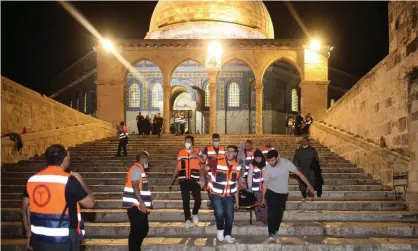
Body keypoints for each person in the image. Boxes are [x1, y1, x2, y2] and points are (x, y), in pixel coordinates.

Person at [21, 144, 95, 251]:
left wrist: (28, 235)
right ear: (65, 159)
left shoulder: (32, 180)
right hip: (63, 240)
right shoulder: (68, 180)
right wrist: (82, 183)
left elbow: (24, 209)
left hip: (38, 238)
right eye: (68, 156)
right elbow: (90, 203)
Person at [262, 149, 314, 243]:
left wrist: (309, 185)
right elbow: (265, 184)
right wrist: (262, 198)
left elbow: (299, 174)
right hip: (271, 192)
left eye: (273, 160)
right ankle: (271, 233)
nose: (271, 163)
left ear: (278, 158)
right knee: (271, 212)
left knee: (279, 214)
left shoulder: (286, 163)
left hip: (282, 193)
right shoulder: (267, 168)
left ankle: (276, 228)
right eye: (269, 161)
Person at [202, 145, 240, 243]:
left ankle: (228, 235)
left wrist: (237, 201)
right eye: (227, 151)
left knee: (230, 215)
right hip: (216, 194)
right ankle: (220, 229)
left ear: (235, 153)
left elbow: (235, 183)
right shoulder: (217, 161)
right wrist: (202, 179)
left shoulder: (237, 165)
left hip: (229, 195)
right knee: (219, 213)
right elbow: (203, 168)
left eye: (231, 151)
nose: (229, 153)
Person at [169, 135, 204, 228]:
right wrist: (172, 179)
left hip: (194, 179)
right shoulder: (181, 152)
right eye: (186, 141)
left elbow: (203, 161)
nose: (187, 143)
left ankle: (195, 213)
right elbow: (177, 166)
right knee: (185, 200)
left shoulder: (197, 150)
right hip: (183, 180)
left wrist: (196, 155)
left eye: (189, 141)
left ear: (192, 142)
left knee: (198, 199)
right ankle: (187, 218)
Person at [122, 151, 153, 251]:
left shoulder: (139, 169)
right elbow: (135, 186)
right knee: (137, 232)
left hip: (137, 206)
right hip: (135, 206)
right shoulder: (136, 169)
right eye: (147, 159)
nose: (148, 161)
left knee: (143, 229)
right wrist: (141, 204)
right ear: (144, 159)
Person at [247, 149, 268, 225]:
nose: (258, 160)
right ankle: (259, 219)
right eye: (256, 158)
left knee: (265, 204)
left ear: (262, 157)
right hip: (256, 189)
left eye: (259, 158)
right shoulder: (252, 165)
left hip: (265, 188)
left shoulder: (266, 164)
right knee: (257, 205)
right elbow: (249, 176)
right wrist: (249, 187)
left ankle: (265, 219)